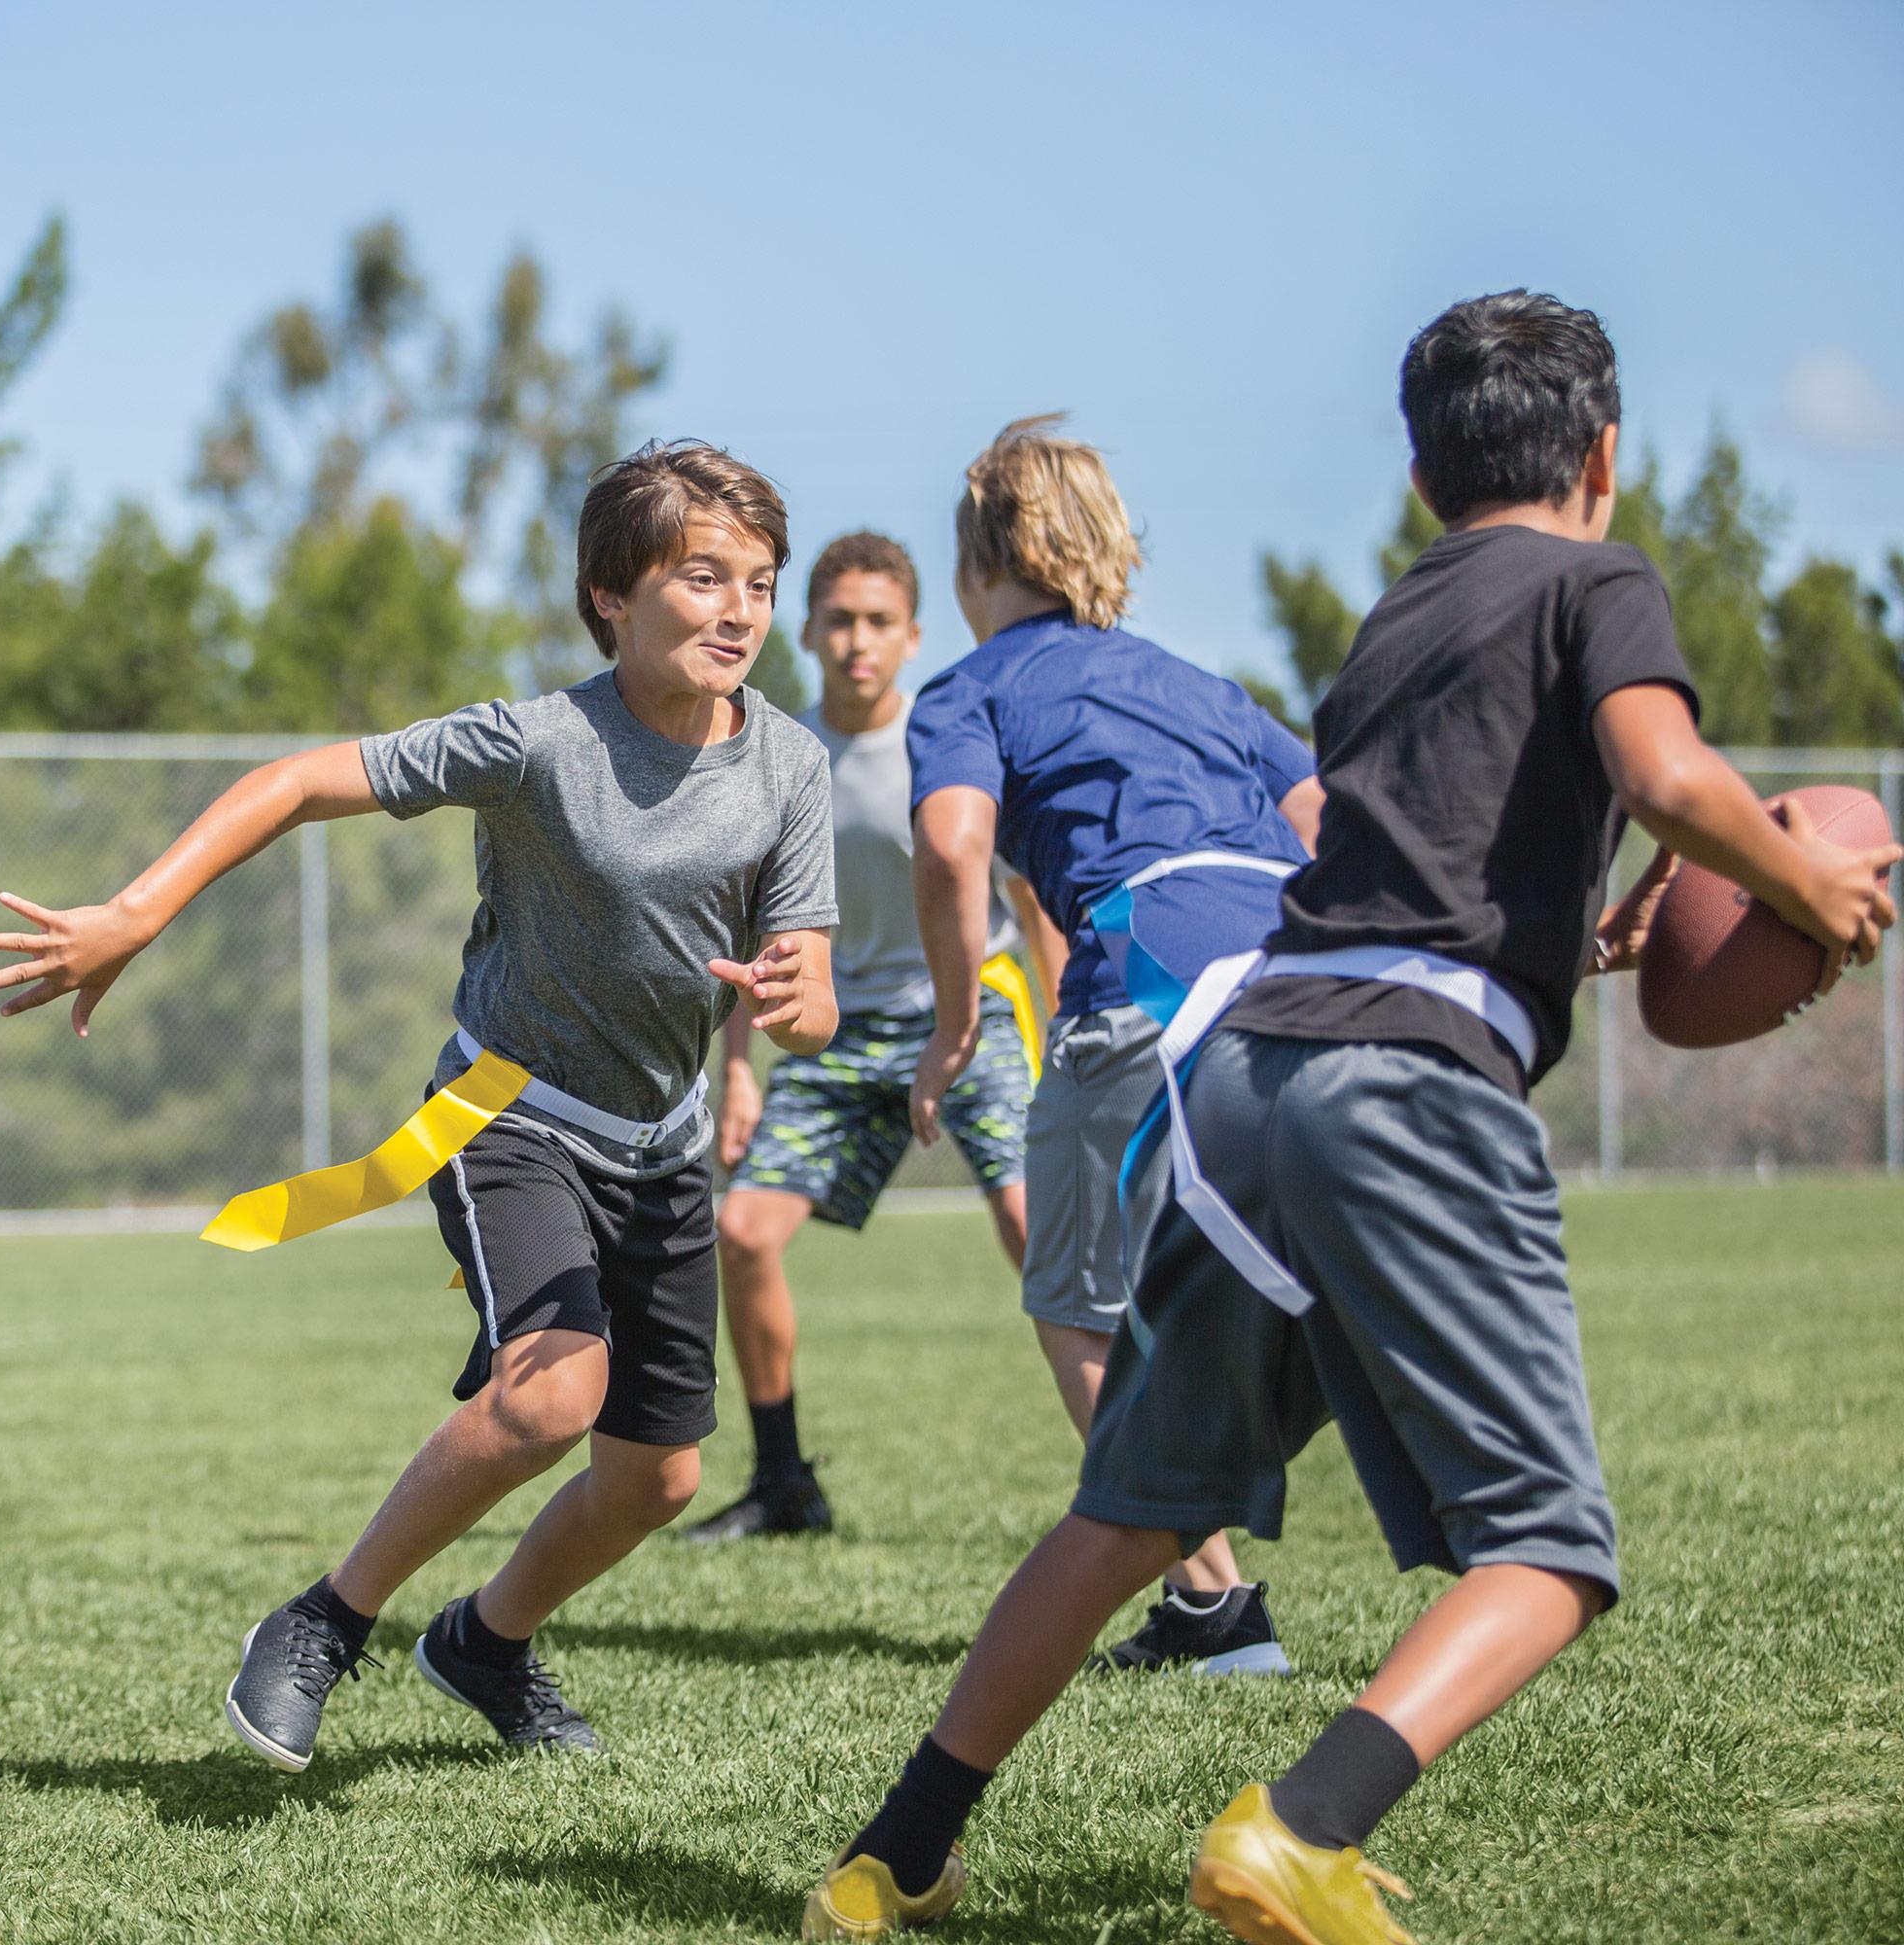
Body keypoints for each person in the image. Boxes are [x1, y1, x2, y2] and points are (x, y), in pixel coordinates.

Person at [799, 296, 1899, 1943]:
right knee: (1547, 1549)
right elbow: (1665, 776)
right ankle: (1302, 1831)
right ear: (1604, 455)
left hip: (1251, 1074)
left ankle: (892, 1857)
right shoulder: (1601, 579)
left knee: (1137, 1508)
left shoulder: (1396, 620)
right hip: (1395, 1080)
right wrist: (1795, 871)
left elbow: (1407, 856)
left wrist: (1575, 931)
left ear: (1419, 465)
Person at [0, 442, 841, 1772]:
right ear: (610, 595)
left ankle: (483, 1643)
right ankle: (323, 1621)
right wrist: (136, 912)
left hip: (662, 1149)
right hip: (510, 1110)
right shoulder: (541, 741)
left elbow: (817, 993)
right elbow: (301, 781)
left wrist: (795, 999)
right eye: (703, 576)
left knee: (657, 1477)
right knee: (551, 1398)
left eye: (761, 585)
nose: (739, 611)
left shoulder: (788, 766)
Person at [901, 416, 1322, 1679]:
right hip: (1303, 982)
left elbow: (951, 846)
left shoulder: (973, 686)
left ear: (981, 561)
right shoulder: (1205, 686)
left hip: (1142, 988)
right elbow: (1332, 828)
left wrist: (955, 1015)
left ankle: (1211, 1607)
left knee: (1073, 1300)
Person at [684, 530, 1046, 1542]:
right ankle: (782, 1480)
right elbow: (752, 934)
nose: (856, 641)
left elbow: (1030, 899)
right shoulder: (775, 752)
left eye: (878, 621)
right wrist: (740, 1073)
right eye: (837, 618)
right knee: (743, 1232)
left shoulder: (953, 749)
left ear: (913, 634)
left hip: (966, 1024)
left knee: (1039, 1235)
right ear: (806, 628)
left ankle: (1140, 1490)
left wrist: (1058, 1046)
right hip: (830, 1039)